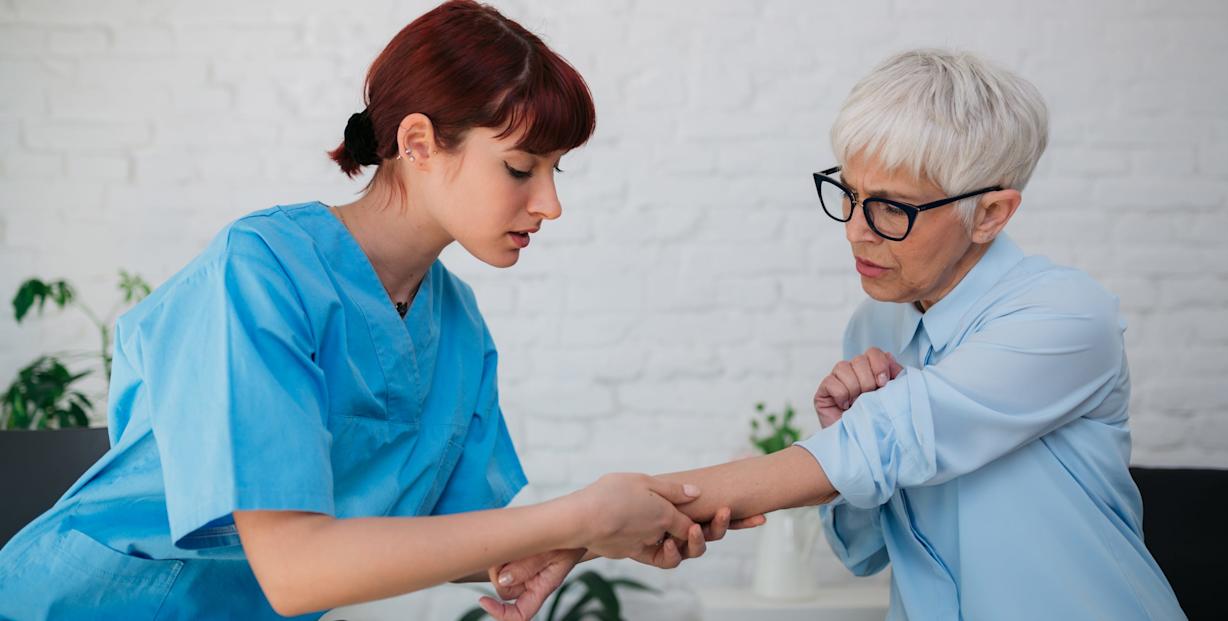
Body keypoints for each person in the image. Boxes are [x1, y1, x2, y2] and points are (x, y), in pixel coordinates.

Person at [0, 3, 753, 619]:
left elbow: (456, 546)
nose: (550, 204)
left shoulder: (459, 331)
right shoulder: (260, 269)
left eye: (557, 172)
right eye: (522, 168)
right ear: (418, 141)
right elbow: (294, 569)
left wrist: (619, 530)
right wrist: (578, 519)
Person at [487, 49, 1185, 621]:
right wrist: (843, 437)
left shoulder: (1066, 317)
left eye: (890, 209)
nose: (855, 228)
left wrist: (581, 529)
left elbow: (876, 447)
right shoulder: (875, 324)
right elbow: (863, 547)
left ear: (991, 213)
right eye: (848, 193)